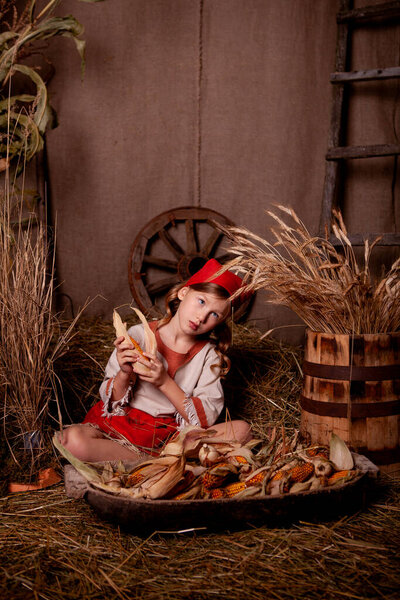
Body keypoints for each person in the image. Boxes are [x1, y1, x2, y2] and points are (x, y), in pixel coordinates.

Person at [60, 259, 252, 461]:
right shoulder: (138, 334)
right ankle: (155, 463)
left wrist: (164, 382)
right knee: (70, 440)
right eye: (201, 302)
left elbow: (206, 418)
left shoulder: (209, 356)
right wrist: (124, 373)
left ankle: (152, 461)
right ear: (184, 293)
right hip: (122, 424)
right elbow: (113, 401)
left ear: (220, 321)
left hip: (171, 436)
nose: (201, 317)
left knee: (242, 431)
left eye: (214, 314)